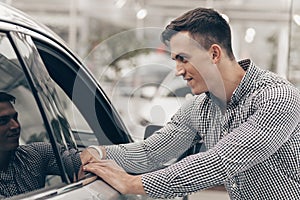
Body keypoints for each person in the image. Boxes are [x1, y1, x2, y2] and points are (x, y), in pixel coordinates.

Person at [81, 7, 300, 200]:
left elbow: (221, 161)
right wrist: (98, 153)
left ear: (214, 53)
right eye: (175, 60)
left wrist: (133, 184)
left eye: (183, 59)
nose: (178, 71)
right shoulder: (199, 108)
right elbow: (150, 153)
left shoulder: (278, 98)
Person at [0, 92, 82, 198]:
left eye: (15, 118)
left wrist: (95, 152)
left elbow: (81, 161)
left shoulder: (33, 155)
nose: (15, 126)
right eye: (2, 121)